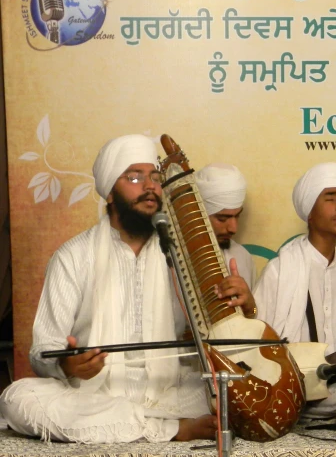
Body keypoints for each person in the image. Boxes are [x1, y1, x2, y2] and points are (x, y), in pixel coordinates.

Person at [0, 135, 253, 442]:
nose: (150, 187)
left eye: (155, 178)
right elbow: (42, 351)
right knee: (18, 397)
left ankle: (129, 425)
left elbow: (219, 337)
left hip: (169, 392)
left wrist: (244, 306)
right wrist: (67, 364)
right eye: (134, 177)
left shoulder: (180, 254)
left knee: (235, 390)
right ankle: (168, 429)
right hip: (92, 395)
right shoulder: (73, 256)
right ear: (109, 193)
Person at [254, 162, 336, 418]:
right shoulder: (280, 270)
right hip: (294, 413)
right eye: (330, 199)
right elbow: (258, 347)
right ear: (310, 211)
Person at [195, 162, 257, 294]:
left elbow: (254, 313)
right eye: (222, 219)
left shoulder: (242, 257)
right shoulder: (167, 259)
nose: (233, 228)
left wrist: (250, 307)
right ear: (199, 214)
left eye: (237, 216)